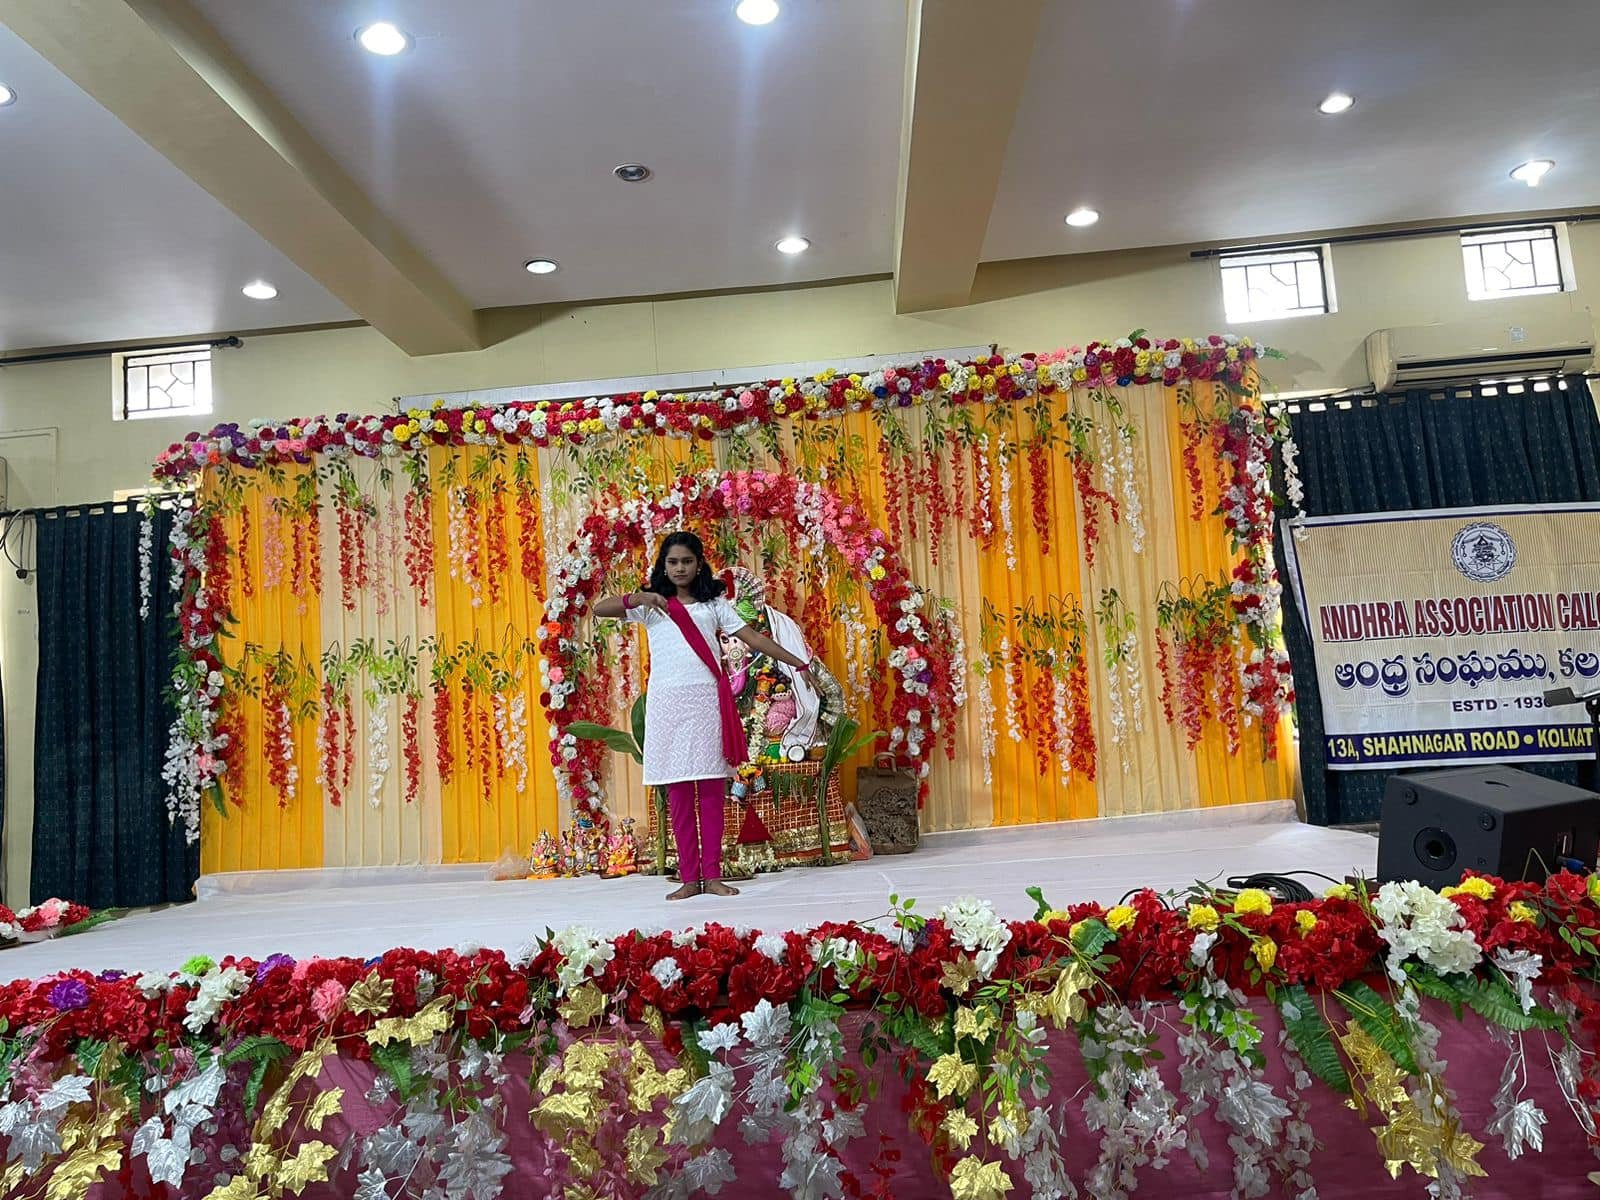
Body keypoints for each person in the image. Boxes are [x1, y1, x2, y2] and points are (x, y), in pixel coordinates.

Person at [593, 532, 819, 900]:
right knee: (679, 794)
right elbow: (600, 609)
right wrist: (640, 597)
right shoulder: (653, 606)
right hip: (668, 707)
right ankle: (689, 878)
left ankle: (712, 876)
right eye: (672, 562)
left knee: (712, 792)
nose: (680, 568)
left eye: (686, 561)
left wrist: (799, 663)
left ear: (699, 564)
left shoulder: (714, 604)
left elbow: (754, 638)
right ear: (663, 566)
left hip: (705, 704)